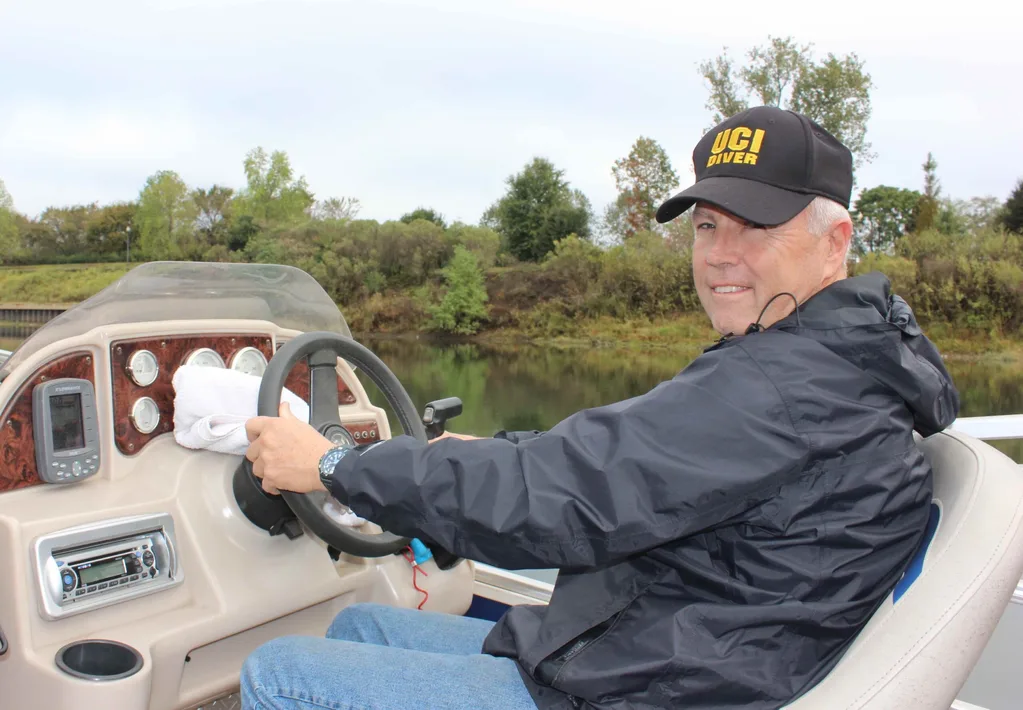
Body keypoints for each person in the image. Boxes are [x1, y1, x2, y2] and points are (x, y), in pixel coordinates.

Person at [239, 106, 959, 710]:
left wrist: (333, 463)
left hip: (657, 688)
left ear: (834, 242)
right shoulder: (835, 358)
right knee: (364, 624)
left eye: (756, 226)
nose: (718, 254)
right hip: (684, 649)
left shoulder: (780, 384)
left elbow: (555, 502)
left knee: (278, 673)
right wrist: (478, 449)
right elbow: (611, 461)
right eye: (707, 226)